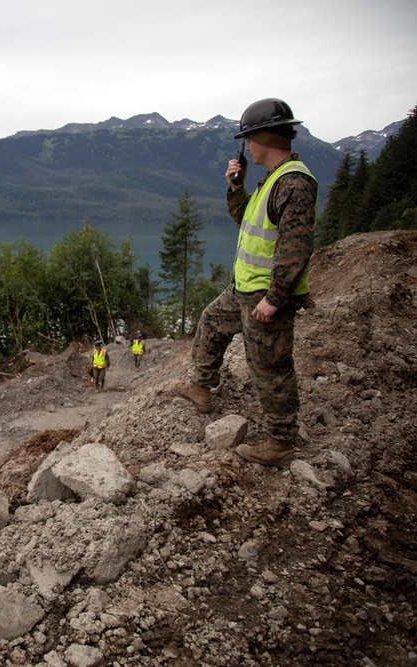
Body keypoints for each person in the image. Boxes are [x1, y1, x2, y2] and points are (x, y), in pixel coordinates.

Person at [171, 98, 316, 467]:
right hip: (243, 290)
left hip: (265, 296)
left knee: (269, 366)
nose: (246, 145)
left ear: (264, 136)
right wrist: (237, 187)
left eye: (248, 137)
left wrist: (275, 298)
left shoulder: (295, 183)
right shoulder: (272, 180)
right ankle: (202, 388)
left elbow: (294, 249)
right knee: (211, 323)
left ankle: (281, 442)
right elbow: (247, 223)